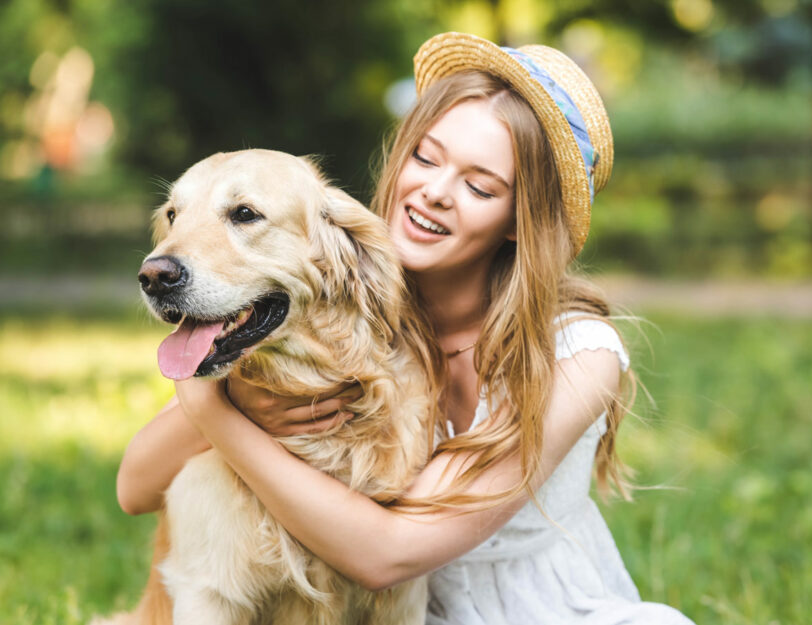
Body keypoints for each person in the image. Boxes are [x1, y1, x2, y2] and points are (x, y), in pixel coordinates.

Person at [118, 32, 695, 624]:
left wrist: (216, 409)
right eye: (426, 156)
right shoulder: (346, 319)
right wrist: (226, 393)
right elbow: (134, 490)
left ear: (522, 220)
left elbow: (387, 555)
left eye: (478, 185)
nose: (434, 192)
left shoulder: (580, 354)